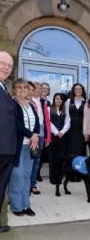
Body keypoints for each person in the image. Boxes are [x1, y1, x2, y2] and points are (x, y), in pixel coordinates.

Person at [8, 78, 39, 217]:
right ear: (14, 89)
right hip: (18, 146)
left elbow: (37, 122)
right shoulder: (12, 104)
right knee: (17, 176)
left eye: (25, 87)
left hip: (30, 146)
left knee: (27, 176)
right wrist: (31, 135)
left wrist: (36, 136)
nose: (22, 89)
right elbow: (16, 124)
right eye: (19, 87)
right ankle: (16, 206)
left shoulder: (31, 105)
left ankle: (26, 205)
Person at [0, 51, 16, 233]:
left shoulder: (4, 87)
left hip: (6, 148)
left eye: (9, 65)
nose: (5, 67)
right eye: (2, 63)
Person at [47, 93, 70, 196]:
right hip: (53, 136)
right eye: (57, 99)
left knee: (61, 158)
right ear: (54, 100)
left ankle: (59, 179)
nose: (59, 101)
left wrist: (62, 132)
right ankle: (53, 179)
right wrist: (56, 132)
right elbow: (48, 122)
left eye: (60, 99)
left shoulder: (65, 110)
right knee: (53, 157)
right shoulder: (48, 109)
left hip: (62, 137)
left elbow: (68, 122)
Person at [30, 82, 51, 195]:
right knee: (30, 159)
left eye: (39, 88)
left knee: (37, 160)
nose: (38, 90)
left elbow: (47, 121)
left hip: (42, 133)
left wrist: (48, 137)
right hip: (32, 134)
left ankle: (33, 185)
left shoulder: (43, 102)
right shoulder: (30, 101)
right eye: (36, 88)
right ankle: (28, 185)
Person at [65, 83, 86, 181]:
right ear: (73, 90)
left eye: (80, 89)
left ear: (82, 90)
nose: (78, 90)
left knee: (80, 152)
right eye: (76, 89)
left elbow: (87, 118)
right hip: (71, 130)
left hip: (81, 130)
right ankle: (71, 175)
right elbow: (66, 116)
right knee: (71, 153)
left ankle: (79, 174)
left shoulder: (86, 102)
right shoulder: (69, 101)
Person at [37, 82, 51, 181]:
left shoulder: (49, 102)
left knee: (41, 155)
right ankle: (36, 174)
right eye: (43, 88)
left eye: (47, 88)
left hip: (46, 131)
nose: (45, 90)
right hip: (37, 131)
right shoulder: (37, 101)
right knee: (36, 154)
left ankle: (37, 173)